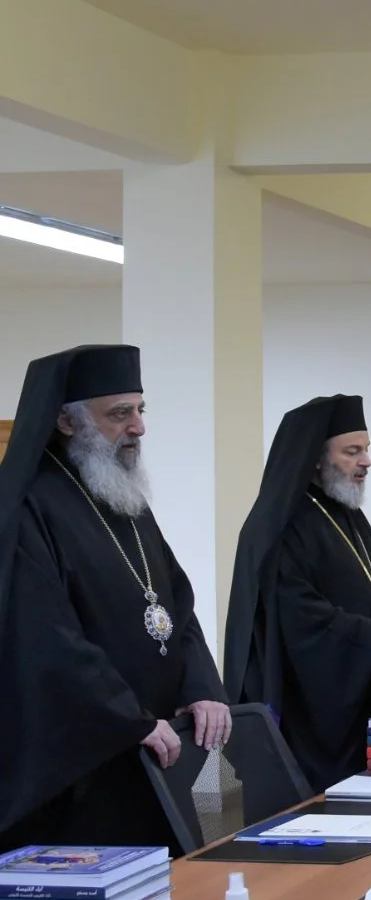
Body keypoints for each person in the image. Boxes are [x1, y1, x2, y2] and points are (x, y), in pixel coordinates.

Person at [0, 344, 232, 850]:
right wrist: (127, 718)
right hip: (91, 763)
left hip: (161, 745)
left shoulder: (123, 497)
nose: (138, 427)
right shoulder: (31, 506)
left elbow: (176, 606)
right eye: (120, 413)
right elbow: (44, 636)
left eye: (140, 410)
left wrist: (202, 687)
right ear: (67, 421)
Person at [222, 395, 371, 790]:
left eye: (366, 449)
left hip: (368, 690)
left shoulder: (348, 513)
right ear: (316, 457)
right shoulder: (281, 525)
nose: (367, 461)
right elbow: (300, 613)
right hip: (314, 708)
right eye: (352, 451)